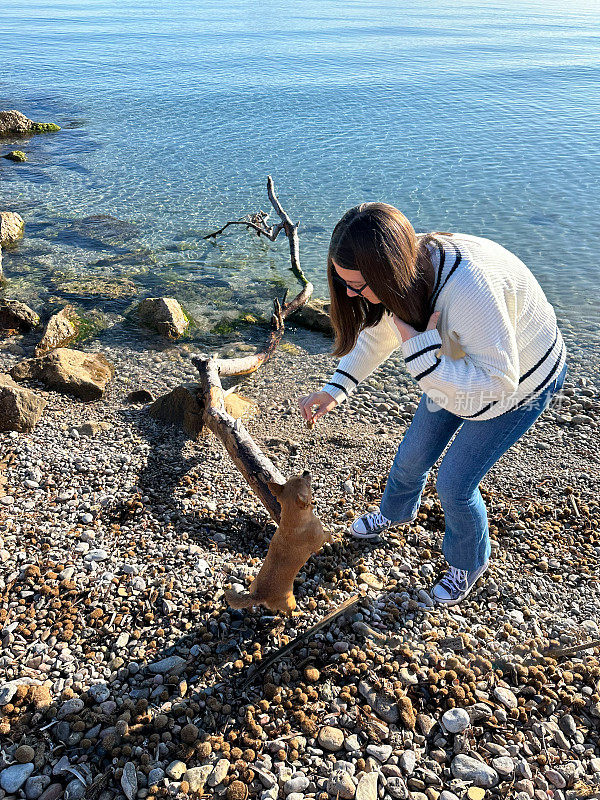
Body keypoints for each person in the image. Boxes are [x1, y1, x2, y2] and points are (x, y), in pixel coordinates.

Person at [298, 203, 566, 606]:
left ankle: (468, 562)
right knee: (412, 455)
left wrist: (423, 356)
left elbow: (495, 383)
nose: (353, 295)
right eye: (345, 284)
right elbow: (381, 335)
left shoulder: (467, 289)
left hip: (521, 384)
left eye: (358, 286)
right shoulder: (403, 273)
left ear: (386, 270)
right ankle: (396, 513)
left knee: (455, 486)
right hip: (458, 365)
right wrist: (335, 389)